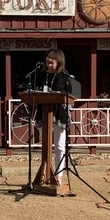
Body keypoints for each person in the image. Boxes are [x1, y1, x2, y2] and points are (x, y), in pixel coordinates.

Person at [35, 48, 73, 185]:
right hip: (44, 111)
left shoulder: (64, 76)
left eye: (52, 58)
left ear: (59, 61)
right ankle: (44, 174)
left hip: (59, 113)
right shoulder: (40, 74)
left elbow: (68, 95)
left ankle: (59, 175)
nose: (49, 60)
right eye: (48, 57)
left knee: (59, 146)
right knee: (45, 144)